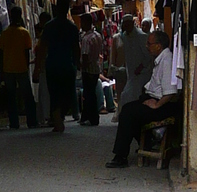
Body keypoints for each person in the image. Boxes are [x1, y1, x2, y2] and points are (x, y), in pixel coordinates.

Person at [105, 25, 182, 167]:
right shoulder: (161, 59)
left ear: (158, 46)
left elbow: (170, 91)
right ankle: (145, 143)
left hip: (164, 105)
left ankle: (121, 156)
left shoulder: (166, 61)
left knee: (128, 113)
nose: (147, 46)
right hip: (155, 99)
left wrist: (157, 105)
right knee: (129, 109)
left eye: (150, 44)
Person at [40, 0, 80, 132]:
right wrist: (77, 63)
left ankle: (57, 116)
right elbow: (76, 48)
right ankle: (58, 116)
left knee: (55, 93)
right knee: (66, 93)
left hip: (53, 64)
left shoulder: (49, 26)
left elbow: (42, 47)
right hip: (66, 65)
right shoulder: (72, 27)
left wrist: (38, 67)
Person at [0, 9, 37, 130]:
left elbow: (0, 53)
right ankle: (32, 122)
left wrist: (1, 70)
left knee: (11, 97)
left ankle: (14, 123)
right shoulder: (24, 33)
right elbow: (26, 52)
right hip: (21, 68)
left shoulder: (4, 33)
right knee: (27, 97)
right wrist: (26, 65)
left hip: (8, 69)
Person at [115, 12, 152, 106]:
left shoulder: (141, 36)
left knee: (129, 96)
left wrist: (140, 67)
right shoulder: (125, 36)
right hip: (131, 73)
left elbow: (148, 56)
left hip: (142, 73)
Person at [78, 12, 105, 126]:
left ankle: (91, 117)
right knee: (91, 93)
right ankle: (90, 117)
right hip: (96, 67)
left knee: (88, 94)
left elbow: (85, 55)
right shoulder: (98, 35)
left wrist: (83, 68)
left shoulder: (86, 38)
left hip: (88, 69)